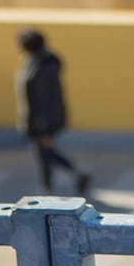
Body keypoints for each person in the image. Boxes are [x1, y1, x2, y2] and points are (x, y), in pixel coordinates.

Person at [15, 29, 91, 197]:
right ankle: (76, 175)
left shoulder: (40, 66)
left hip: (42, 122)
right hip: (41, 121)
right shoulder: (36, 62)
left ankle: (47, 192)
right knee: (46, 154)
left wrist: (44, 129)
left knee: (43, 156)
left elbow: (42, 100)